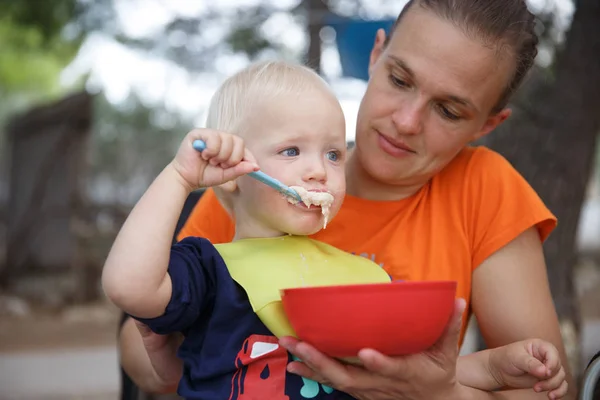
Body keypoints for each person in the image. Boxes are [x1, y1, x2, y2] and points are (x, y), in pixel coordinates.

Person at [118, 0, 577, 398]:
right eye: (399, 79)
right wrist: (175, 350)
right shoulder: (259, 185)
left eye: (448, 110)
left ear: (486, 126)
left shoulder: (485, 189)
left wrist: (440, 394)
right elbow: (144, 338)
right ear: (376, 56)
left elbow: (539, 387)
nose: (407, 120)